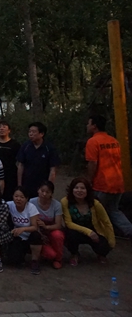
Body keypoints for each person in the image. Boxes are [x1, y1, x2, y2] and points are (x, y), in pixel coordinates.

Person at [85, 114, 132, 243]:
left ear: (94, 126)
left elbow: (93, 163)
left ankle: (99, 236)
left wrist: (89, 180)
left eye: (89, 123)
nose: (87, 126)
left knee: (96, 211)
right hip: (117, 182)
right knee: (113, 210)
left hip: (102, 184)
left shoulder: (93, 142)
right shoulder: (114, 141)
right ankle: (129, 230)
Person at [61, 177, 115, 266]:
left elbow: (106, 222)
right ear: (72, 189)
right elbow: (68, 223)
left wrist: (111, 241)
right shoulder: (65, 202)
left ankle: (101, 255)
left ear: (87, 190)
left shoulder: (95, 203)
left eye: (83, 188)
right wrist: (88, 232)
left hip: (94, 230)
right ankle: (74, 254)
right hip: (76, 230)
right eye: (76, 188)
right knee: (70, 235)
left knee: (104, 247)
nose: (79, 191)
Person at [17, 122, 59, 198]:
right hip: (27, 184)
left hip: (42, 185)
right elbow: (21, 165)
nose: (31, 134)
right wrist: (19, 185)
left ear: (41, 134)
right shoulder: (25, 146)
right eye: (29, 131)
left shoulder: (49, 148)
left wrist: (49, 186)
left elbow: (53, 169)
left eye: (34, 132)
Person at [6, 187, 43, 274]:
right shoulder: (9, 205)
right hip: (17, 236)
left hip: (30, 235)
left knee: (36, 235)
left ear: (26, 199)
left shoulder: (31, 208)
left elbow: (35, 227)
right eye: (16, 196)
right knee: (14, 260)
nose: (18, 199)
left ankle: (35, 261)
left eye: (22, 197)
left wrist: (23, 229)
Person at [30, 181, 65, 269]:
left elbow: (58, 225)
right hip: (38, 232)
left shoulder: (57, 205)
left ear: (51, 193)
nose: (44, 194)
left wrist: (46, 227)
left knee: (58, 235)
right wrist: (40, 233)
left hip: (51, 230)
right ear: (38, 190)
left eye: (47, 192)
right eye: (42, 191)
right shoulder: (32, 202)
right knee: (50, 254)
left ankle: (58, 259)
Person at [0, 119, 21, 201]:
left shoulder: (15, 144)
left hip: (10, 175)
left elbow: (19, 162)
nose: (1, 128)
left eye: (4, 127)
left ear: (9, 130)